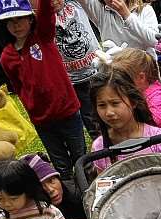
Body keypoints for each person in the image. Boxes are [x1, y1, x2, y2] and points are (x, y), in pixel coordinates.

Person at [0, 0, 87, 180]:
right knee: (61, 164)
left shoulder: (42, 36)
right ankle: (71, 196)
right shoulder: (6, 57)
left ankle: (88, 191)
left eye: (20, 18)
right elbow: (18, 87)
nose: (16, 25)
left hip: (67, 110)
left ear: (31, 19)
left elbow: (46, 12)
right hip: (42, 120)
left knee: (81, 159)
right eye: (10, 21)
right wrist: (31, 107)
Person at [88, 67, 161, 173]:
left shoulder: (159, 140)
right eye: (102, 105)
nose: (109, 112)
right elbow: (103, 186)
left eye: (115, 103)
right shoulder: (100, 148)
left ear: (133, 102)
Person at [51, 0, 103, 138]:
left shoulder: (76, 5)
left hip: (96, 69)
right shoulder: (44, 18)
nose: (54, 2)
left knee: (105, 104)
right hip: (74, 79)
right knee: (89, 115)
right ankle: (99, 144)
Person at [111, 46, 161, 131]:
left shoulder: (157, 95)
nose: (120, 85)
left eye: (124, 80)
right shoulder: (135, 91)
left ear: (141, 77)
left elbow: (152, 120)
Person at [77, 0, 161, 53]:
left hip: (141, 71)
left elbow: (154, 42)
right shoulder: (101, 10)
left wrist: (127, 15)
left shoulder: (146, 10)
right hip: (115, 73)